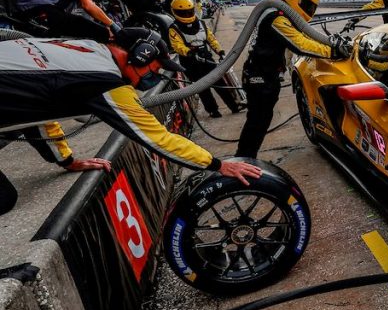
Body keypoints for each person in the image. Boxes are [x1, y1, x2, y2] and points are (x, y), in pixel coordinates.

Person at [0, 28, 261, 215]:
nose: (156, 76)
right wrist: (217, 164)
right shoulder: (106, 81)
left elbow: (42, 109)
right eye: (156, 68)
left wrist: (67, 160)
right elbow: (157, 138)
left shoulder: (85, 48)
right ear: (141, 56)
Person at [235, 0, 345, 158]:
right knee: (257, 122)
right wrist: (332, 51)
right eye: (308, 5)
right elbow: (300, 44)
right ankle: (244, 160)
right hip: (260, 77)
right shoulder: (276, 18)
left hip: (263, 75)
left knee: (260, 120)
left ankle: (246, 159)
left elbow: (306, 37)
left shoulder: (278, 14)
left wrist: (330, 44)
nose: (310, 11)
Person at [168, 0, 241, 118]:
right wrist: (188, 52)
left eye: (189, 12)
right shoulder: (174, 28)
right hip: (190, 62)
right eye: (183, 13)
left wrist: (220, 51)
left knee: (220, 82)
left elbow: (211, 39)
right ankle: (213, 110)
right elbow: (177, 45)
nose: (186, 14)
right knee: (202, 88)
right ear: (175, 12)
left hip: (206, 58)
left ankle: (234, 105)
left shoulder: (201, 23)